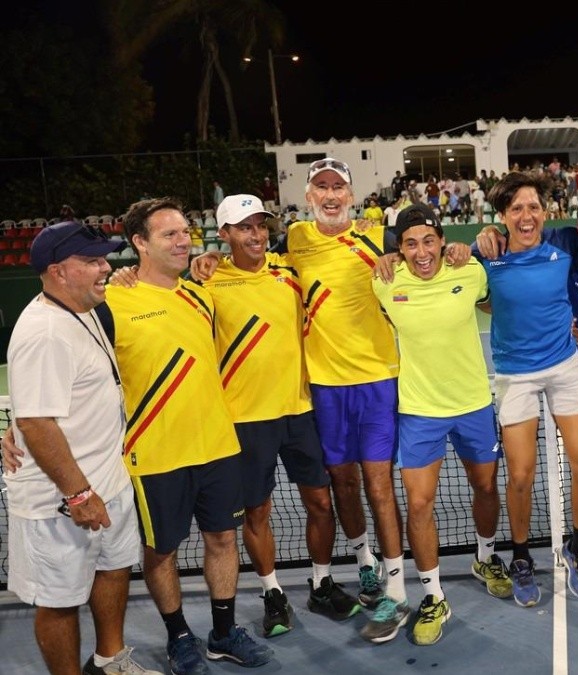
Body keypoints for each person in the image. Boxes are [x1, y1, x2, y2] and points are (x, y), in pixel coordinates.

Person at [194, 159, 410, 643]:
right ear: (309, 196)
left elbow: (427, 253)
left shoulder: (370, 240)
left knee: (356, 492)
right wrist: (204, 259)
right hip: (286, 404)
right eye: (321, 187)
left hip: (344, 392)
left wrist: (460, 249)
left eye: (339, 187)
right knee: (314, 495)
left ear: (352, 195)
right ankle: (300, 583)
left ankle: (367, 585)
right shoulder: (285, 246)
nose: (331, 195)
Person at [107, 198, 272, 673]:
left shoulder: (201, 294)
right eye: (170, 235)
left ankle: (223, 633)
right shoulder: (112, 302)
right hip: (155, 454)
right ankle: (180, 637)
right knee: (161, 552)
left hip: (218, 446)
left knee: (223, 538)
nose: (184, 241)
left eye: (186, 232)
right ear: (139, 243)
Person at [4, 222, 162, 675]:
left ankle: (110, 661)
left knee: (113, 571)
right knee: (59, 601)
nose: (104, 268)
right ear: (57, 271)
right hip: (61, 500)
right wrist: (77, 494)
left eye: (103, 259)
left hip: (106, 481)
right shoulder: (44, 332)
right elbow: (37, 421)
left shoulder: (85, 307)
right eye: (91, 261)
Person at [201, 196, 351, 635]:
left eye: (260, 226)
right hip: (246, 419)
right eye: (243, 227)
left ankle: (321, 584)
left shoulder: (290, 273)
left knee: (321, 503)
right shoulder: (207, 282)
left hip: (301, 411)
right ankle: (272, 593)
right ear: (224, 234)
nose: (256, 235)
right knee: (257, 512)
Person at [372, 203, 513, 645]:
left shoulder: (469, 271)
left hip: (473, 403)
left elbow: (500, 293)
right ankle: (433, 596)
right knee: (418, 505)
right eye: (409, 243)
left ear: (441, 240)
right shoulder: (385, 280)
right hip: (418, 410)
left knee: (486, 488)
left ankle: (485, 556)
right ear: (399, 248)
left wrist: (477, 241)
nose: (421, 251)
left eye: (428, 240)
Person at [470, 171, 578, 605]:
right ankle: (521, 557)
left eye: (533, 207)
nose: (527, 216)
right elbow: (443, 258)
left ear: (545, 212)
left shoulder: (563, 244)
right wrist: (475, 239)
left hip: (565, 367)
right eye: (517, 209)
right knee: (520, 475)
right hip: (515, 375)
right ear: (503, 216)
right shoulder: (487, 253)